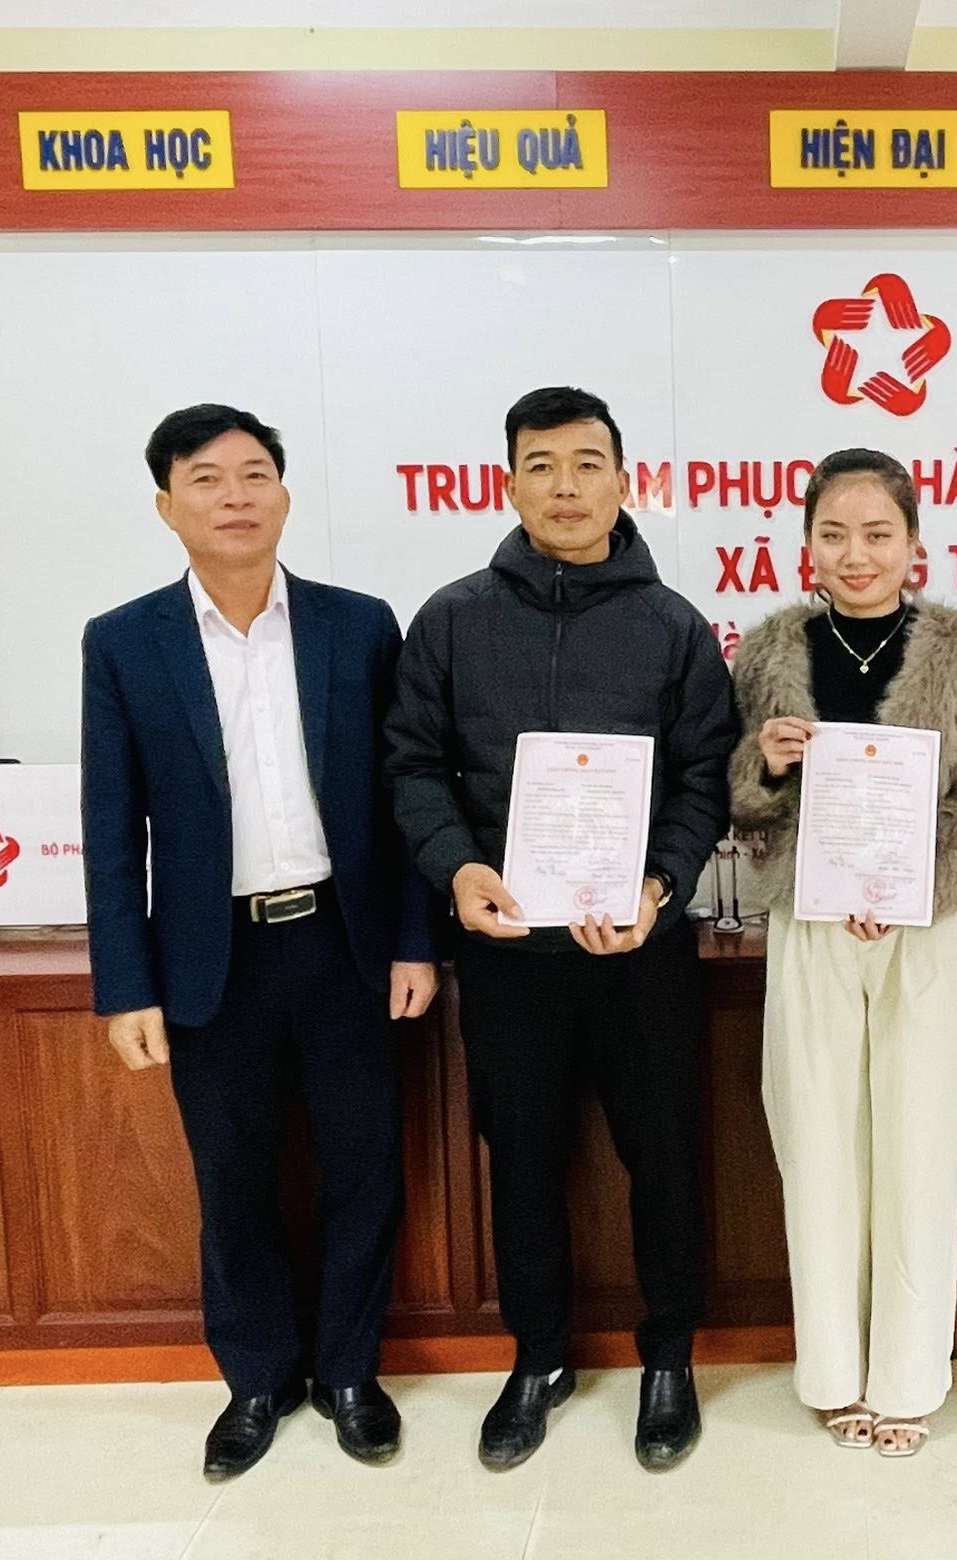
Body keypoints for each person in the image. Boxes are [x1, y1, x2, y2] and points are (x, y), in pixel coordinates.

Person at [386, 385, 737, 1473]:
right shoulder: (452, 619)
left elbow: (705, 778)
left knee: (663, 1156)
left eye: (588, 464)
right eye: (541, 465)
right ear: (509, 484)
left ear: (624, 482)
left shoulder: (673, 626)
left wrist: (660, 885)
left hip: (641, 951)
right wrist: (458, 868)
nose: (566, 486)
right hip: (507, 953)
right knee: (523, 1160)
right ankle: (538, 1358)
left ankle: (669, 1357)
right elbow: (411, 767)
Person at [82, 404, 436, 1480]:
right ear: (167, 506)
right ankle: (255, 1380)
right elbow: (112, 827)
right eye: (205, 478)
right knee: (233, 1180)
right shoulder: (124, 641)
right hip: (211, 960)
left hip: (344, 945)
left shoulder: (357, 626)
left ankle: (348, 1373)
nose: (233, 496)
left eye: (253, 475)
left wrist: (415, 941)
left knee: (362, 1170)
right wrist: (124, 986)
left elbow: (403, 798)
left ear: (283, 494)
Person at [729, 448, 957, 1458]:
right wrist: (763, 764)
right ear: (806, 543)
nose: (856, 554)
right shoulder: (769, 647)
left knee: (920, 1147)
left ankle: (905, 1380)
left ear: (913, 543)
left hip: (921, 929)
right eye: (835, 534)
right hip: (808, 926)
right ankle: (831, 1372)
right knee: (816, 1144)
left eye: (878, 533)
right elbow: (738, 799)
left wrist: (913, 895)